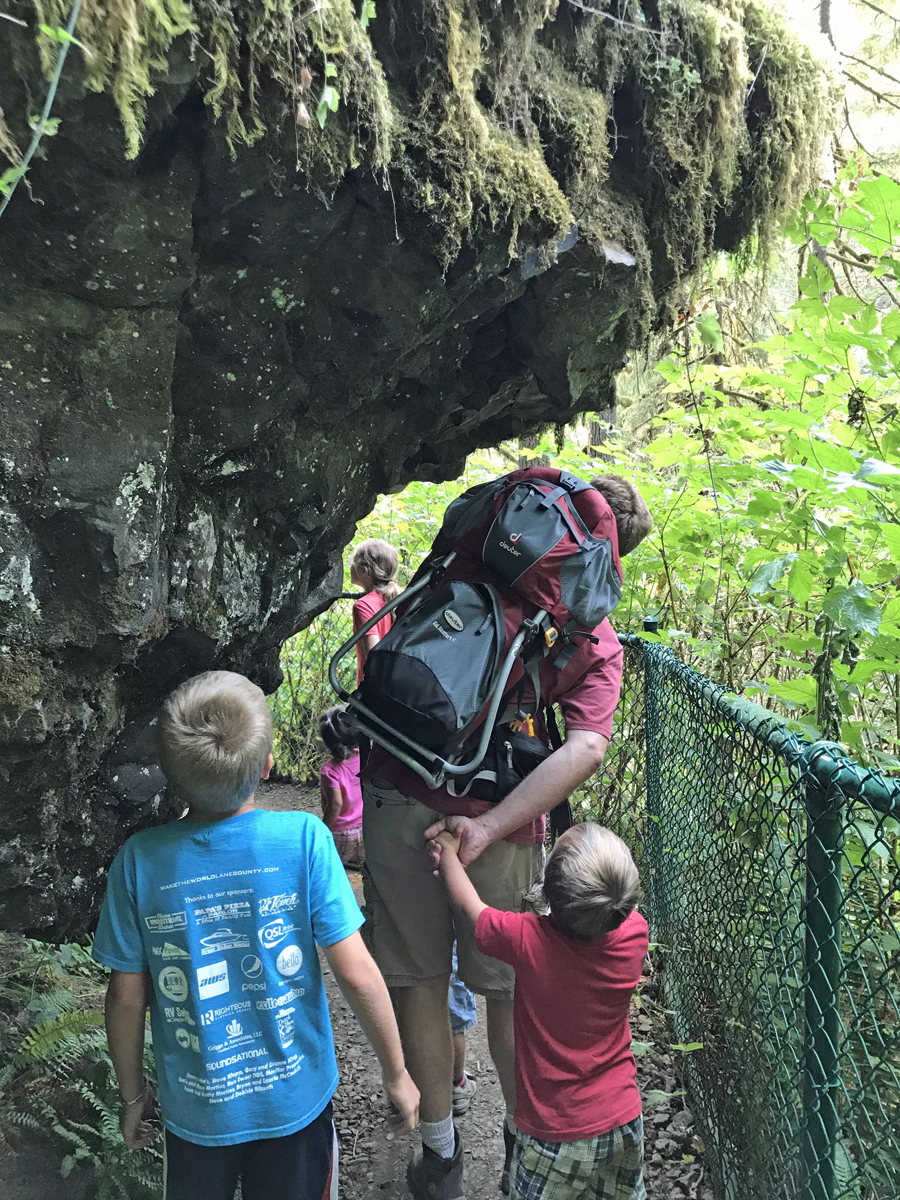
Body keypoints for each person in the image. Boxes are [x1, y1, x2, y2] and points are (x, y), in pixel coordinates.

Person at [359, 474, 652, 1199]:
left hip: (399, 781)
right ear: (610, 560)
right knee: (506, 987)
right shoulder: (591, 635)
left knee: (419, 978)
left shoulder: (476, 550)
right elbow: (584, 748)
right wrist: (488, 825)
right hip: (503, 812)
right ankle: (526, 1136)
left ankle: (439, 1149)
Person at [93, 670, 419, 1200]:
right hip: (296, 1103)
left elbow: (125, 996)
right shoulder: (303, 839)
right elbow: (357, 972)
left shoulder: (140, 861)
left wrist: (133, 1098)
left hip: (197, 1112)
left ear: (170, 777)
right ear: (266, 765)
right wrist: (397, 1071)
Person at [429, 822, 649, 1200]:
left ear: (546, 893)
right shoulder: (635, 934)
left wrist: (448, 854)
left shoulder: (527, 940)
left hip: (554, 1132)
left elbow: (471, 908)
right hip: (624, 1120)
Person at [350, 538, 401, 686]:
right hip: (396, 688)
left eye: (353, 562)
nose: (350, 566)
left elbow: (374, 659)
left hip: (373, 692)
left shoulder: (364, 606)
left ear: (363, 570)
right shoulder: (398, 600)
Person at [319, 706, 364, 868]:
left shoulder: (329, 771)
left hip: (341, 832)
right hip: (363, 826)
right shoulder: (364, 756)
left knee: (335, 867)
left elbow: (335, 804)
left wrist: (323, 829)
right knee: (363, 866)